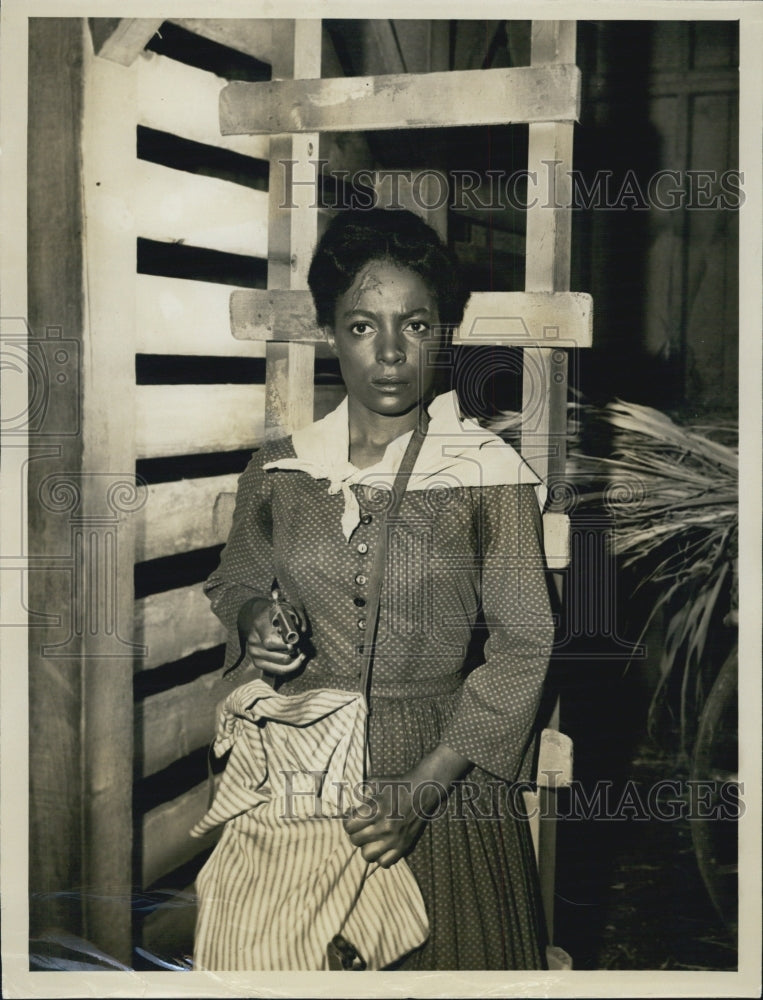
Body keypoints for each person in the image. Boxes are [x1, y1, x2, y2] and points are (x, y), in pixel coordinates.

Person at [198, 208, 555, 970]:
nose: (390, 353)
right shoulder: (281, 470)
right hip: (300, 771)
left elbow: (526, 640)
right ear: (330, 332)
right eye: (363, 326)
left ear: (442, 334)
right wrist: (256, 615)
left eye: (416, 325)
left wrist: (422, 791)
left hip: (443, 774)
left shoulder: (483, 472)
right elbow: (235, 580)